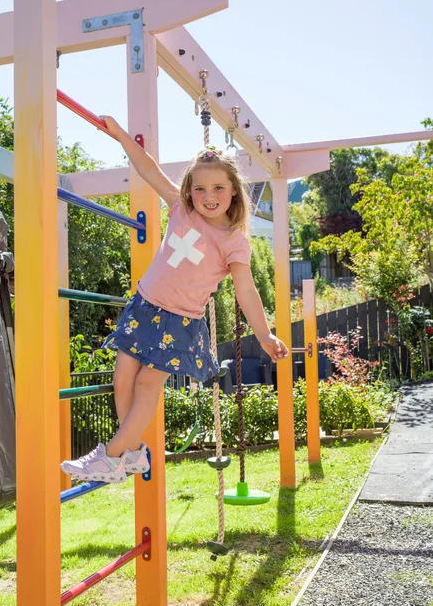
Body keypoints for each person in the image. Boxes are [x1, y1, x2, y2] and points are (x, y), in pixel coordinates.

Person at [61, 118, 289, 484]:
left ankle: (110, 457)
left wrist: (264, 336)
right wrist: (121, 136)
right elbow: (149, 169)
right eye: (199, 188)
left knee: (149, 385)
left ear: (233, 192)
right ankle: (132, 455)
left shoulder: (234, 241)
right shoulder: (181, 211)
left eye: (218, 187)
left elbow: (246, 291)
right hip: (144, 307)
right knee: (123, 380)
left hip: (180, 323)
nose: (208, 196)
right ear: (189, 191)